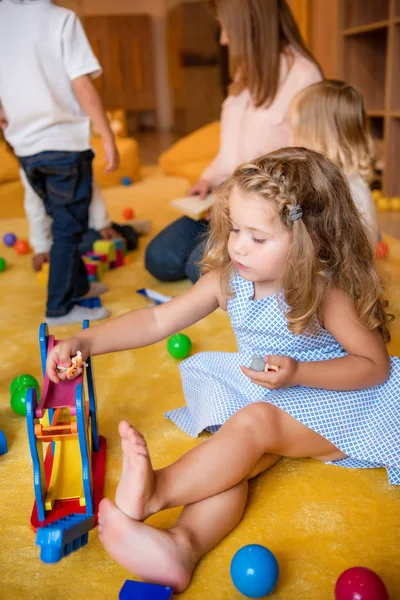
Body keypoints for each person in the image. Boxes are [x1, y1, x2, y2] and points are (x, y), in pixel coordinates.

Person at [46, 148, 400, 593]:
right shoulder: (228, 280)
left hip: (339, 404)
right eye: (235, 228)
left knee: (253, 423)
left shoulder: (325, 293)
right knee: (230, 459)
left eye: (257, 237)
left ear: (309, 238)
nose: (238, 246)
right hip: (272, 390)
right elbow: (157, 320)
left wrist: (298, 374)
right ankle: (182, 546)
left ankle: (158, 490)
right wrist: (86, 341)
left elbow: (375, 367)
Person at [145, 0, 322, 285]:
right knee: (159, 258)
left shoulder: (304, 77)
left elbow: (306, 172)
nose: (224, 41)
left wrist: (245, 207)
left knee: (198, 269)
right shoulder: (244, 76)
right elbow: (230, 152)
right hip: (223, 203)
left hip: (261, 214)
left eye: (228, 30)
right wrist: (206, 180)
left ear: (252, 28)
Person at [0, 0, 119, 325]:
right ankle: (59, 308)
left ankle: (78, 285)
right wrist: (107, 135)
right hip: (63, 145)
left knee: (62, 218)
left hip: (24, 147)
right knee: (68, 228)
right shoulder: (61, 20)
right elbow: (82, 84)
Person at [290, 79, 380, 248]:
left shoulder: (342, 190)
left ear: (319, 138)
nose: (291, 139)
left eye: (296, 131)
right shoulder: (341, 179)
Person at [19, 170, 139, 273]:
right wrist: (42, 248)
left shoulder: (77, 157)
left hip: (83, 225)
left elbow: (92, 191)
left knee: (126, 238)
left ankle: (124, 230)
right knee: (67, 255)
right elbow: (36, 210)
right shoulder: (33, 170)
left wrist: (102, 225)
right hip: (60, 233)